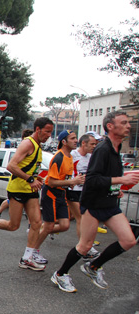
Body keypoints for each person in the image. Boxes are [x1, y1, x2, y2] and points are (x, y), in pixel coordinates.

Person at [51, 111, 139, 292]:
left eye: (128, 123)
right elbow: (92, 180)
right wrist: (121, 181)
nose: (128, 126)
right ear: (110, 126)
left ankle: (93, 266)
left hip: (109, 204)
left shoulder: (116, 147)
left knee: (129, 240)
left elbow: (107, 178)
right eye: (123, 122)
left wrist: (116, 188)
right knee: (85, 246)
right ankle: (60, 274)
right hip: (93, 205)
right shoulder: (103, 149)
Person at [0, 118, 54, 271]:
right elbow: (11, 166)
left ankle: (27, 258)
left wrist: (36, 177)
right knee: (13, 225)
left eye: (51, 132)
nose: (49, 135)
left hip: (30, 190)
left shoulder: (38, 145)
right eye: (47, 132)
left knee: (36, 223)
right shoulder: (27, 143)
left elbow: (27, 167)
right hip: (18, 189)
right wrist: (30, 179)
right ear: (38, 130)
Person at [32, 130, 85, 263]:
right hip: (51, 193)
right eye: (72, 138)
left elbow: (64, 178)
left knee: (65, 225)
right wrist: (71, 182)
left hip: (61, 193)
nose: (75, 140)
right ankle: (33, 251)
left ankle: (38, 233)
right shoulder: (58, 157)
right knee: (49, 226)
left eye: (75, 138)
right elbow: (50, 181)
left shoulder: (70, 157)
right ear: (64, 142)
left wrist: (70, 183)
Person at [68, 133, 100, 256]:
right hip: (72, 189)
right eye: (92, 144)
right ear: (83, 143)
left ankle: (47, 228)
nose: (94, 146)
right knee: (81, 218)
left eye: (95, 144)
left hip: (85, 191)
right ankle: (85, 247)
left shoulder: (91, 157)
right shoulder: (72, 155)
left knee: (66, 221)